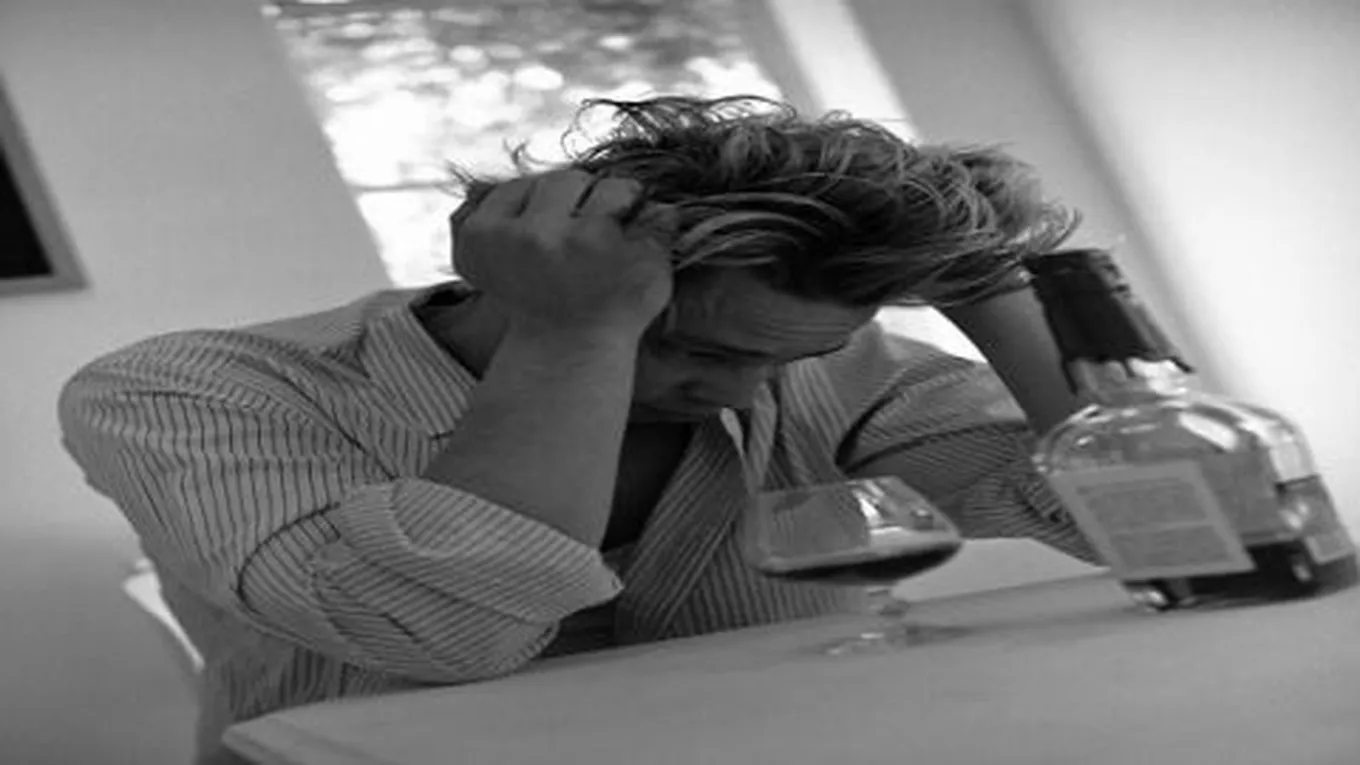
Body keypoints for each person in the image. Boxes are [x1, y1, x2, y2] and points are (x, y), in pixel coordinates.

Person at [58, 95, 1099, 765]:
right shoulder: (189, 389)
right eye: (692, 349)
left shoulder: (830, 366)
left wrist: (995, 286)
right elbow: (443, 632)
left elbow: (1149, 517)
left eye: (783, 358)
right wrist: (573, 335)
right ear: (526, 276)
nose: (742, 393)